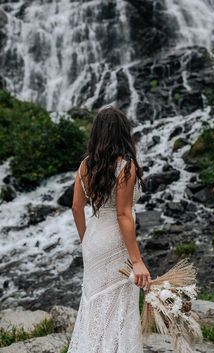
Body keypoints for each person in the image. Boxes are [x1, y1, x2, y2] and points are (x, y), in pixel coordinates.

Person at [68, 105, 152, 353]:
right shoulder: (125, 166)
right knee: (117, 307)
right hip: (115, 240)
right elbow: (123, 213)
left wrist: (86, 240)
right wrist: (137, 261)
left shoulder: (85, 165)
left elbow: (75, 207)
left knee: (94, 304)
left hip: (93, 240)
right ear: (122, 133)